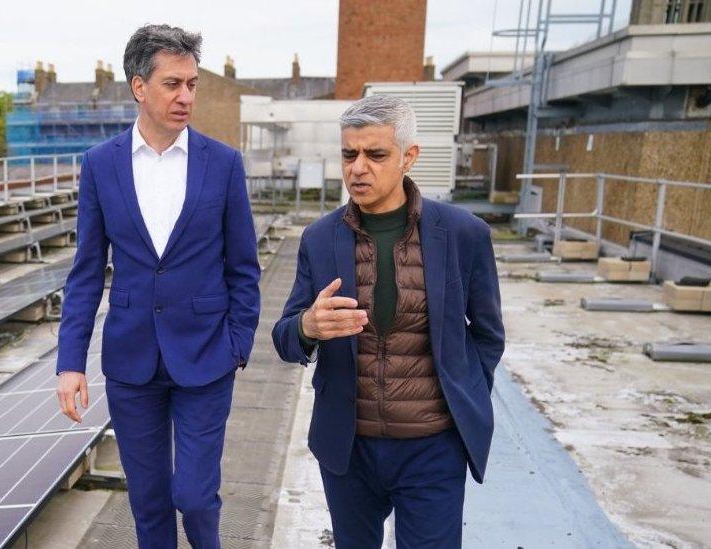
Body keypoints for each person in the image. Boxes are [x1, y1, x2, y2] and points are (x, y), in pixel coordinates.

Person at [54, 24, 261, 549]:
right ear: (138, 87)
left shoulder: (224, 164)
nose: (186, 96)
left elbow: (243, 267)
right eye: (173, 84)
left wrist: (238, 344)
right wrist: (71, 362)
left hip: (208, 356)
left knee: (193, 496)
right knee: (147, 504)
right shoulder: (101, 165)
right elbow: (85, 272)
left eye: (192, 84)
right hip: (132, 361)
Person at [271, 95, 505, 548]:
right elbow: (284, 338)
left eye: (375, 155)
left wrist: (466, 395)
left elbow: (489, 335)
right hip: (348, 448)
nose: (358, 168)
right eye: (348, 154)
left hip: (433, 447)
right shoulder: (320, 238)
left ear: (408, 157)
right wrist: (307, 326)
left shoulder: (463, 234)